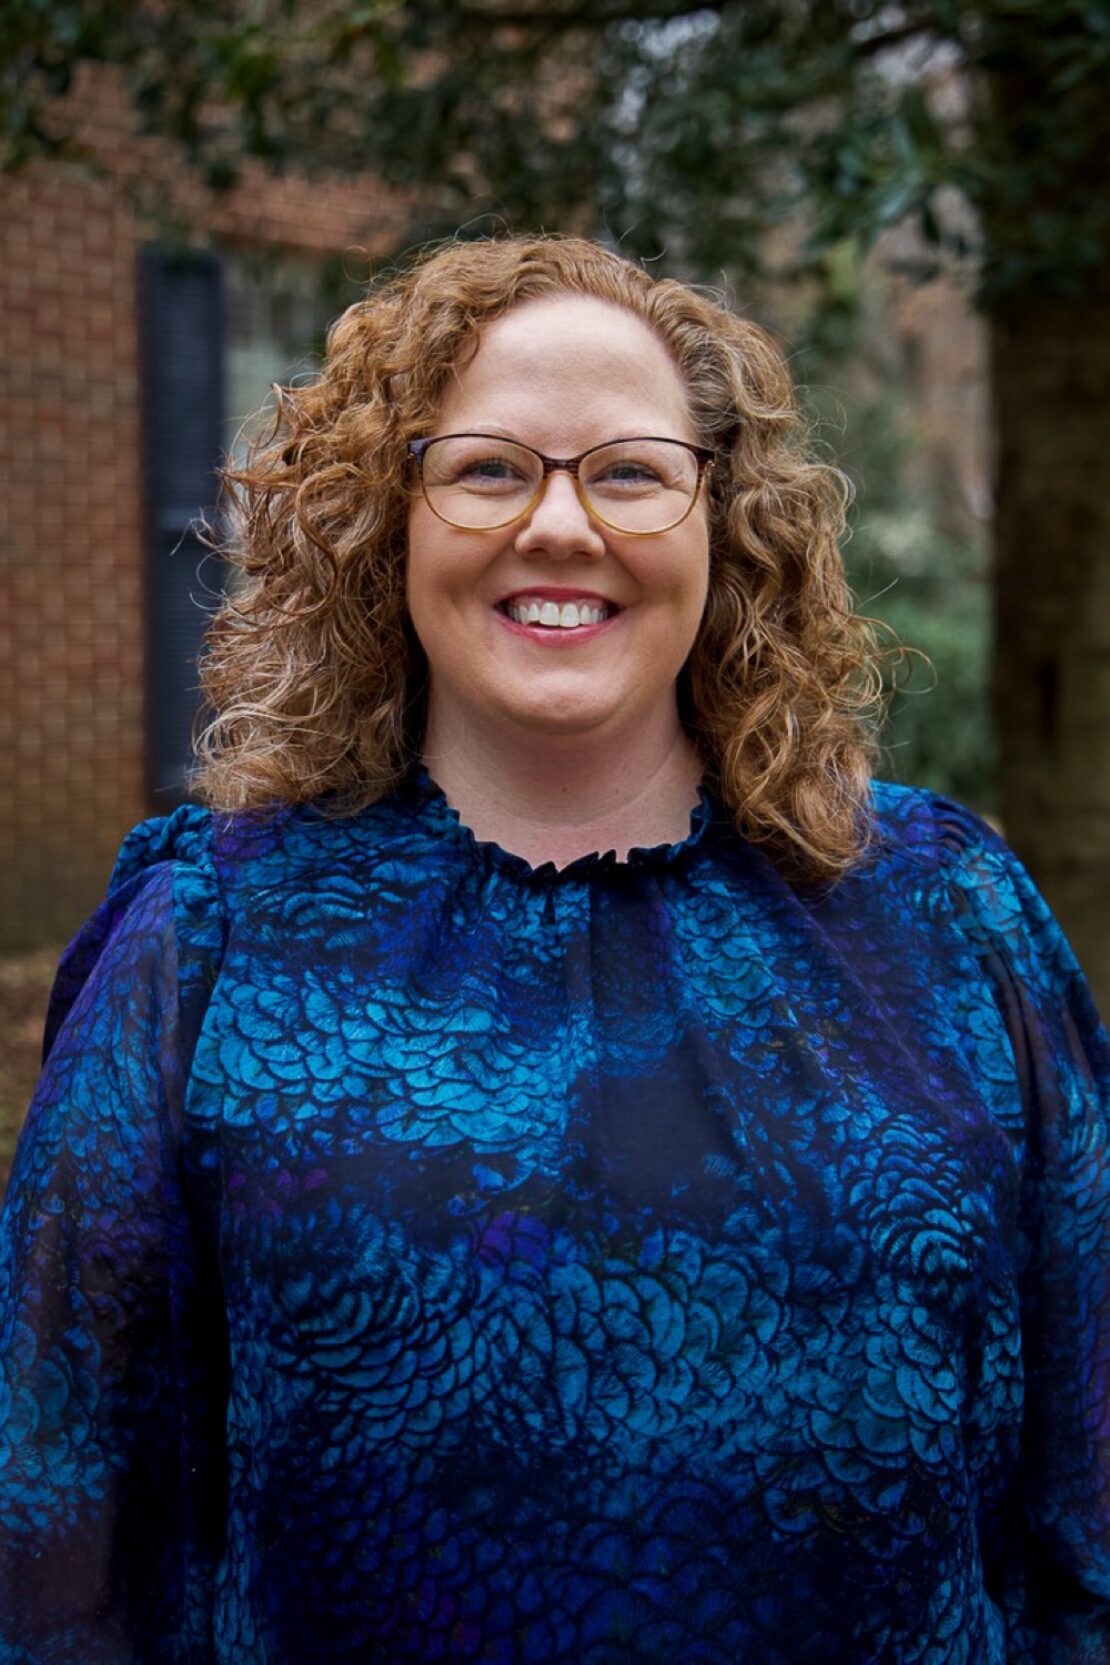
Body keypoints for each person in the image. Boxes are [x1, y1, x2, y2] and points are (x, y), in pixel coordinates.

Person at [0, 233, 1107, 1665]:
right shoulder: (209, 937)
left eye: (630, 471)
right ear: (384, 522)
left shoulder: (943, 915)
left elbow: (1085, 1473)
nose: (561, 525)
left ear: (726, 521)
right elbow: (66, 1528)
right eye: (488, 469)